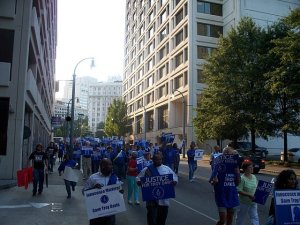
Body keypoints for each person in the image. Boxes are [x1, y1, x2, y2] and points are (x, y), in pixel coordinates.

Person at [136, 152, 178, 225]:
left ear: (162, 160)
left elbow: (175, 177)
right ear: (153, 160)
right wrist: (140, 182)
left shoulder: (166, 168)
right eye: (156, 160)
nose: (158, 161)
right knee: (152, 220)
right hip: (152, 201)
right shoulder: (147, 169)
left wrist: (174, 182)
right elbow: (138, 178)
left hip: (164, 200)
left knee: (162, 220)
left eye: (160, 160)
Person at [83, 158, 123, 225]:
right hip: (96, 214)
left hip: (110, 213)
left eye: (111, 165)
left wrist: (120, 192)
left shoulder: (114, 178)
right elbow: (84, 192)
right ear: (103, 166)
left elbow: (119, 192)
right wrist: (93, 189)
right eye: (109, 165)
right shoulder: (93, 178)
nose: (111, 166)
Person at [209, 146, 240, 225]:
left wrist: (237, 172)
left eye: (230, 154)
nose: (229, 156)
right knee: (222, 219)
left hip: (231, 193)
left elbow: (237, 183)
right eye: (226, 153)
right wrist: (214, 180)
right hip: (221, 194)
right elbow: (211, 181)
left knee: (230, 218)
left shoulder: (235, 166)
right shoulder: (218, 164)